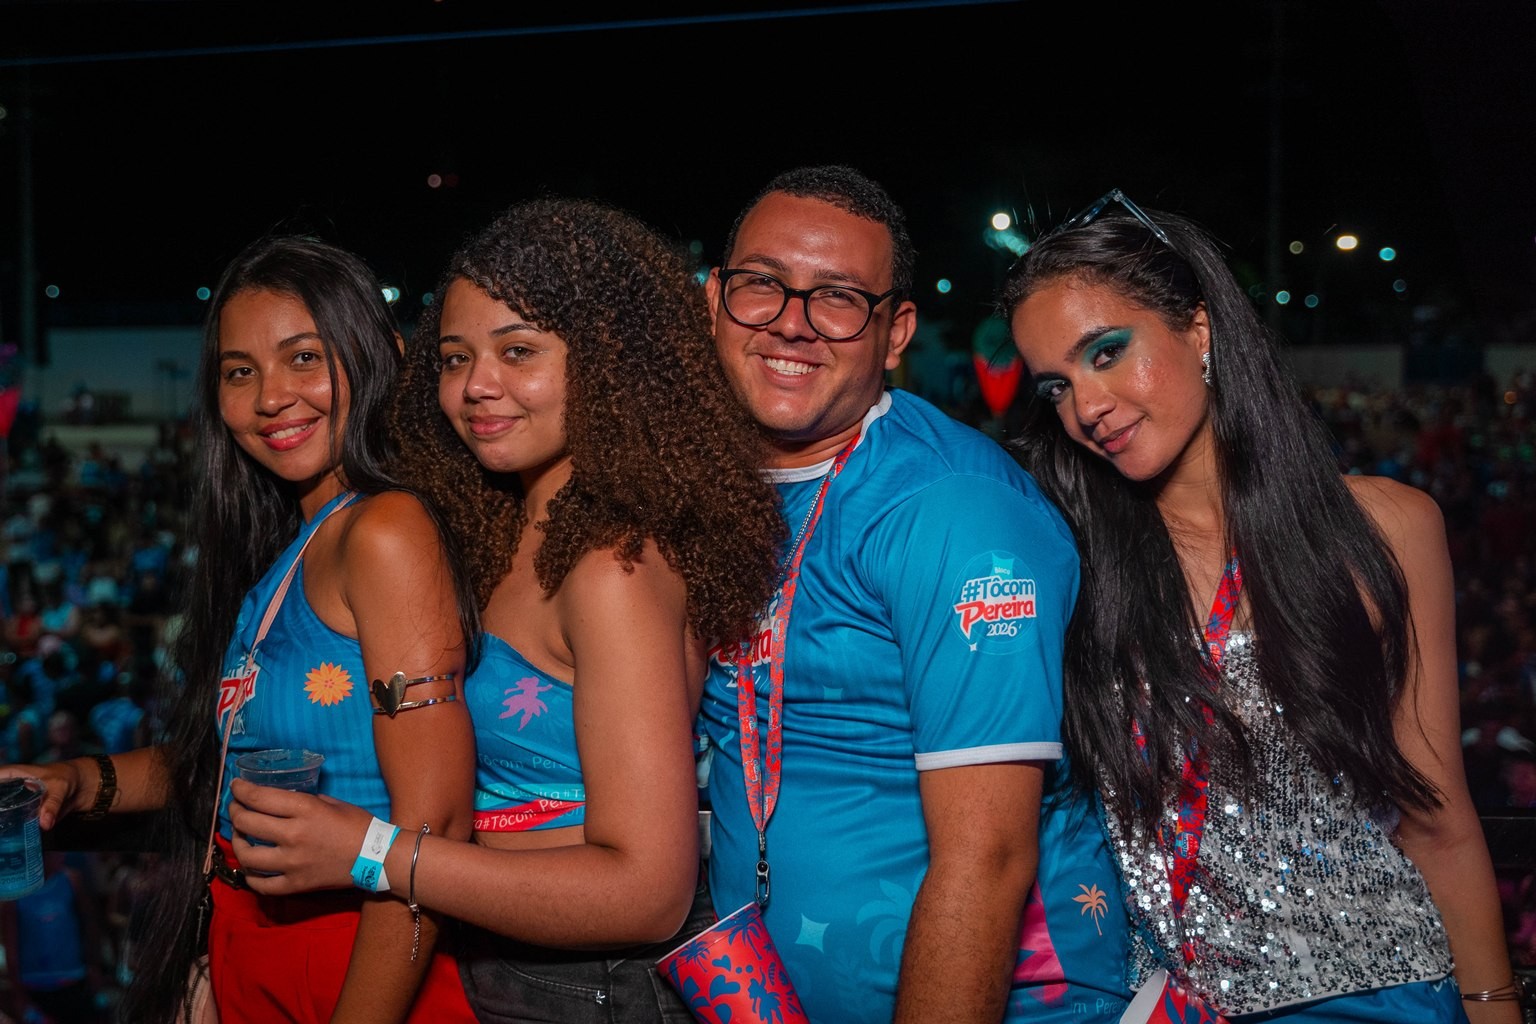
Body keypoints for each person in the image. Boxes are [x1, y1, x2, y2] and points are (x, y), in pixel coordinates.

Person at [227, 198, 784, 1022]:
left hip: (596, 986)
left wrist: (372, 852)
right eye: (454, 359)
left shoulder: (612, 569)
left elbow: (646, 892)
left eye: (518, 351)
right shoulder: (511, 527)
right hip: (512, 965)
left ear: (611, 361)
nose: (476, 387)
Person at [1003, 193, 1522, 1023]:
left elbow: (1438, 819)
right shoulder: (1068, 559)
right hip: (1171, 1004)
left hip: (1383, 995)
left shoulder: (1386, 528)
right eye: (1057, 386)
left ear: (1199, 328)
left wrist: (1494, 1005)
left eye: (1107, 351)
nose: (1086, 406)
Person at [1, 235, 481, 1024]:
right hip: (260, 950)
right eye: (239, 371)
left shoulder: (384, 531)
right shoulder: (297, 545)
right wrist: (81, 780)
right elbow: (226, 762)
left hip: (354, 959)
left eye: (303, 358)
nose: (269, 397)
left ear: (370, 357)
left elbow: (437, 824)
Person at [695, 165, 1132, 1023]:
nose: (792, 321)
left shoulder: (952, 511)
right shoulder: (707, 483)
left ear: (895, 331)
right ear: (715, 300)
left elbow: (987, 857)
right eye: (762, 284)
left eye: (838, 298)